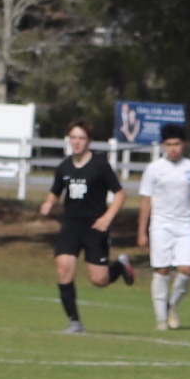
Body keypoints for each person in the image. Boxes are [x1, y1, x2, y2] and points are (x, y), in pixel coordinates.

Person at [38, 119, 134, 334]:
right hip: (71, 226)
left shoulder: (100, 165)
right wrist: (48, 203)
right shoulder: (64, 167)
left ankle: (120, 266)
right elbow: (56, 191)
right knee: (63, 268)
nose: (77, 142)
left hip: (95, 228)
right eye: (73, 138)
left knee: (99, 280)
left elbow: (120, 194)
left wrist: (108, 217)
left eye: (81, 138)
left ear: (89, 141)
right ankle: (75, 322)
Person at [137, 123, 190, 330]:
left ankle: (172, 305)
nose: (173, 148)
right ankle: (161, 319)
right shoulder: (154, 169)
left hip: (185, 225)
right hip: (160, 225)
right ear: (163, 145)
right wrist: (142, 231)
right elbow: (145, 201)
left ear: (184, 144)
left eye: (177, 144)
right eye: (169, 144)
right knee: (161, 269)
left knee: (186, 269)